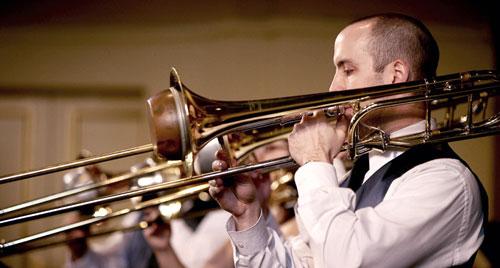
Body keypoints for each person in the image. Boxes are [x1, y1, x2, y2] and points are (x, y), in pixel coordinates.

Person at [209, 13, 487, 267]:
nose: (334, 87)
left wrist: (316, 161)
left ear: (396, 75)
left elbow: (348, 260)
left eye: (348, 70)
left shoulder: (446, 181)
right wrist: (247, 215)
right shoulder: (359, 173)